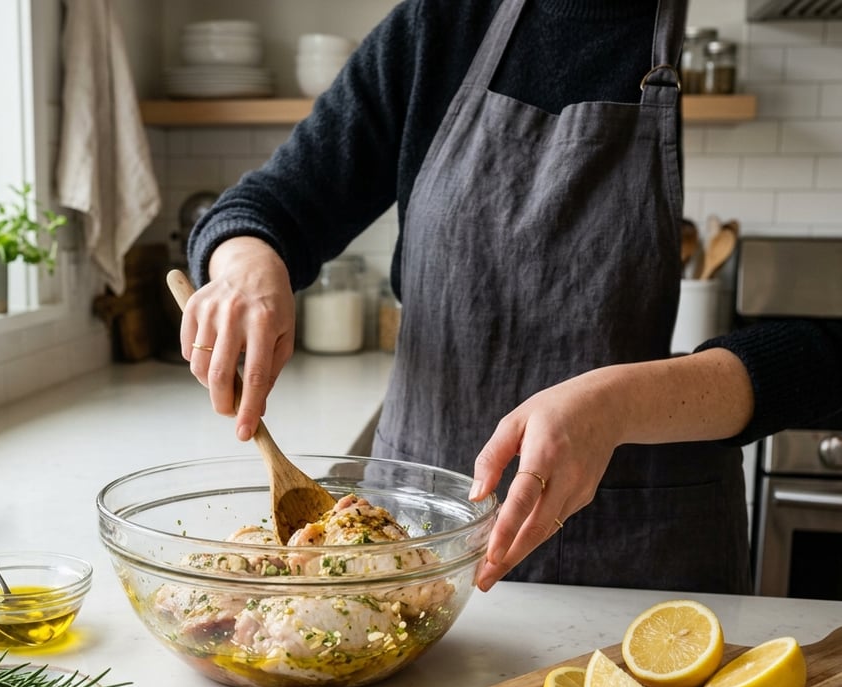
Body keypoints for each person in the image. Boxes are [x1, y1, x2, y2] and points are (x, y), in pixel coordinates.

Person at [179, 0, 842, 594]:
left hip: (636, 560)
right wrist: (243, 262)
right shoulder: (441, 27)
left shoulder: (713, 40)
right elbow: (273, 205)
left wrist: (619, 405)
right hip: (416, 550)